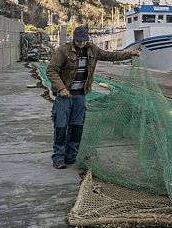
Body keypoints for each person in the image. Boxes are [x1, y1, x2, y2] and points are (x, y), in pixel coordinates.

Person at [46, 25, 140, 169]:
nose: (81, 43)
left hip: (80, 96)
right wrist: (62, 88)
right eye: (78, 41)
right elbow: (51, 70)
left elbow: (110, 56)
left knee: (77, 127)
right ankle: (58, 157)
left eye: (84, 41)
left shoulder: (92, 50)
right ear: (74, 39)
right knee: (61, 126)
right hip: (65, 96)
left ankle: (71, 156)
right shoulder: (63, 50)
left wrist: (130, 54)